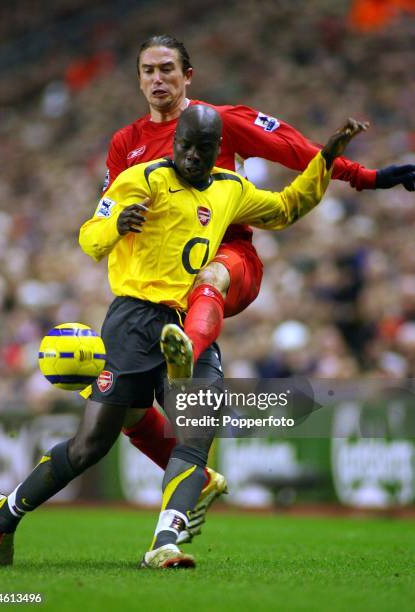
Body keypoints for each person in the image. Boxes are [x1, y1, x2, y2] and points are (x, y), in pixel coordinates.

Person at [0, 104, 367, 569]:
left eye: (203, 150)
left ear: (217, 151)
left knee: (198, 431)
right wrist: (116, 225)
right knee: (91, 445)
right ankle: (5, 512)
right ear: (177, 142)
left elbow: (287, 208)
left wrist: (323, 161)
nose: (192, 156)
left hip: (187, 324)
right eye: (185, 146)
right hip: (132, 321)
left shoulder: (230, 190)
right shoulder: (139, 181)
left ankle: (164, 541)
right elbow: (89, 238)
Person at [101, 34, 415, 541]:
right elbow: (113, 214)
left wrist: (367, 178)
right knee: (126, 410)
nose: (157, 80)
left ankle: (187, 353)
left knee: (212, 274)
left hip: (230, 260)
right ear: (138, 78)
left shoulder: (218, 121)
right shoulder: (126, 144)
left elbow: (295, 150)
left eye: (167, 70)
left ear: (188, 76)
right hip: (161, 286)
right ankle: (196, 477)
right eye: (148, 71)